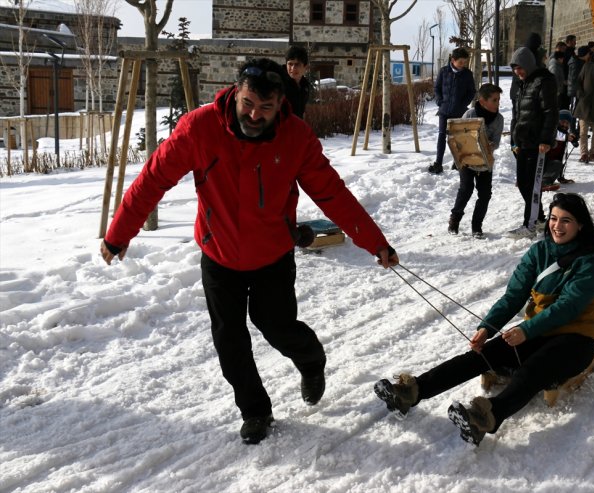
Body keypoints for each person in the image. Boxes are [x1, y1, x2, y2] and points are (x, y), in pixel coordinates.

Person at [100, 58, 400, 445]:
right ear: (235, 93)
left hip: (272, 255)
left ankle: (311, 360)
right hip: (219, 254)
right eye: (248, 104)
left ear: (280, 105)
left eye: (265, 108)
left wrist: (375, 242)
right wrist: (119, 233)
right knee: (229, 340)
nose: (254, 115)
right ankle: (255, 410)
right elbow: (152, 179)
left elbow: (332, 194)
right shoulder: (199, 128)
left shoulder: (296, 137)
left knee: (277, 327)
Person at [375, 193, 594, 446]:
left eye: (566, 221)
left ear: (580, 225)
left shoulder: (592, 262)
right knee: (483, 354)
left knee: (534, 369)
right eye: (553, 218)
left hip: (575, 341)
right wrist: (486, 328)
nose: (557, 226)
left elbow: (568, 307)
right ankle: (412, 392)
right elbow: (514, 295)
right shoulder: (539, 251)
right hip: (539, 332)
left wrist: (526, 330)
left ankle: (486, 418)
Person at [506, 47, 558, 240]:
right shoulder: (522, 84)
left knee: (533, 185)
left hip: (537, 143)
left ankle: (530, 224)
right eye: (514, 68)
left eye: (519, 67)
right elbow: (516, 115)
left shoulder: (544, 81)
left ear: (528, 65)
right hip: (523, 141)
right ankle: (541, 217)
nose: (516, 72)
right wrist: (513, 139)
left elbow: (550, 112)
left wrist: (546, 140)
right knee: (523, 184)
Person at [448, 83, 504, 239]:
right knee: (466, 189)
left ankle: (476, 226)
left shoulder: (499, 119)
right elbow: (459, 137)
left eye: (498, 99)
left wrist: (490, 144)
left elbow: (497, 141)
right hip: (467, 160)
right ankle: (455, 219)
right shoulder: (470, 114)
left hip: (485, 161)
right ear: (482, 101)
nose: (497, 103)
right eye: (494, 100)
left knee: (485, 194)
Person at [429, 48, 477, 174]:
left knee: (457, 138)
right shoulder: (444, 71)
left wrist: (463, 104)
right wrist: (440, 101)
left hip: (459, 112)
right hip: (444, 111)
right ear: (453, 60)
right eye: (460, 62)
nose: (463, 65)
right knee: (441, 136)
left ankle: (457, 162)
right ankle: (438, 163)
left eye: (465, 62)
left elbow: (471, 91)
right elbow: (437, 88)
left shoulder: (467, 74)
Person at [541, 109, 578, 190]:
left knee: (558, 162)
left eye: (567, 123)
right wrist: (566, 137)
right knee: (557, 163)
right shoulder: (551, 131)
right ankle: (544, 182)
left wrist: (560, 176)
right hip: (540, 163)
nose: (565, 124)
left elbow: (560, 157)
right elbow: (556, 134)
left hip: (549, 163)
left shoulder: (564, 135)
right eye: (562, 121)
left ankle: (552, 178)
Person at [282, 45, 312, 119]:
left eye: (297, 64)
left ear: (305, 67)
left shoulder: (305, 86)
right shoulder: (280, 84)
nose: (293, 68)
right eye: (290, 64)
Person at [567, 46, 590, 114]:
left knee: (578, 110)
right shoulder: (576, 64)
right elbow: (574, 79)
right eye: (588, 54)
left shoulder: (581, 62)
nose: (589, 55)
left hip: (579, 91)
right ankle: (572, 124)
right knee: (574, 111)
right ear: (584, 54)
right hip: (575, 91)